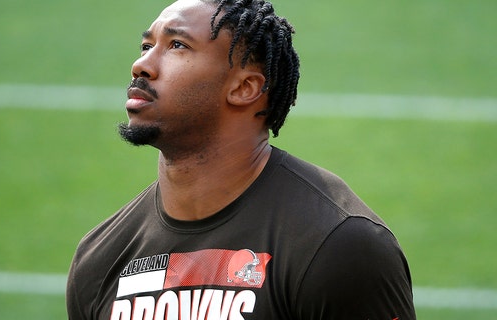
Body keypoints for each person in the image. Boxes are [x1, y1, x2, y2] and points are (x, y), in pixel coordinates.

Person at [66, 0, 416, 318]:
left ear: (244, 88)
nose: (141, 65)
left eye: (177, 45)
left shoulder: (337, 246)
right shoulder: (100, 259)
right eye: (146, 45)